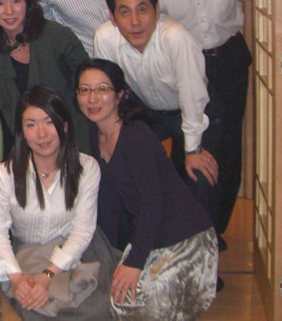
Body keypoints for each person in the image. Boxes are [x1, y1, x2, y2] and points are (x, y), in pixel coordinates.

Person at [144, 0, 253, 243]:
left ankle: (215, 229)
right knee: (189, 147)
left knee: (227, 147)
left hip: (230, 61)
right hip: (187, 68)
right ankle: (192, 231)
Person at [76, 59, 217, 318]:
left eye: (102, 89)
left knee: (128, 306)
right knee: (109, 295)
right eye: (84, 90)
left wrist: (134, 262)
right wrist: (112, 258)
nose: (92, 98)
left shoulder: (135, 135)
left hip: (185, 240)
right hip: (150, 236)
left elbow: (152, 203)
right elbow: (109, 201)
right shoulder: (95, 135)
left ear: (120, 95)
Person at [94, 0, 222, 256]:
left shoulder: (176, 38)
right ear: (113, 17)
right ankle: (135, 248)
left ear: (157, 10)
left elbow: (192, 95)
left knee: (200, 175)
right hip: (148, 111)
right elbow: (114, 91)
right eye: (124, 12)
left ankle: (203, 253)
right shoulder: (104, 38)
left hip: (193, 110)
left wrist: (192, 149)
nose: (135, 21)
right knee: (124, 168)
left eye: (142, 9)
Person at [0, 85, 111, 320]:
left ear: (64, 125)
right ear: (22, 131)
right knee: (31, 305)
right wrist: (16, 278)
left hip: (77, 252)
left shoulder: (86, 168)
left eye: (49, 122)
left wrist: (48, 277)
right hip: (26, 254)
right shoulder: (5, 174)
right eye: (31, 125)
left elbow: (82, 231)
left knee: (95, 307)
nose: (42, 134)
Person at [0, 0, 90, 156]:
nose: (9, 11)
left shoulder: (56, 36)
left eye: (16, 1)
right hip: (31, 142)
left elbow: (86, 82)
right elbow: (9, 108)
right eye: (0, 3)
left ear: (27, 3)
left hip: (73, 133)